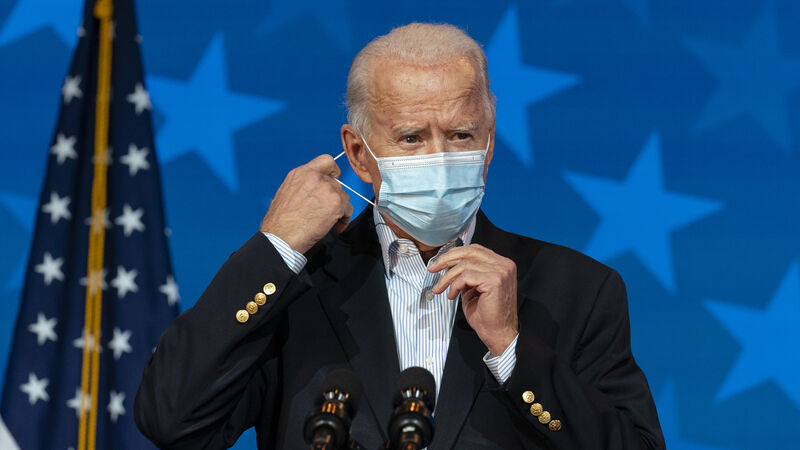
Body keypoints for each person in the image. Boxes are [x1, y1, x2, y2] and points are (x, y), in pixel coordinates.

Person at [134, 23, 665, 449]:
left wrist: (512, 351)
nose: (440, 157)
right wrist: (274, 248)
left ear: (488, 143)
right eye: (411, 138)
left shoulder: (577, 290)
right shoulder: (298, 287)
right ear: (359, 153)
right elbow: (171, 422)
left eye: (460, 134)